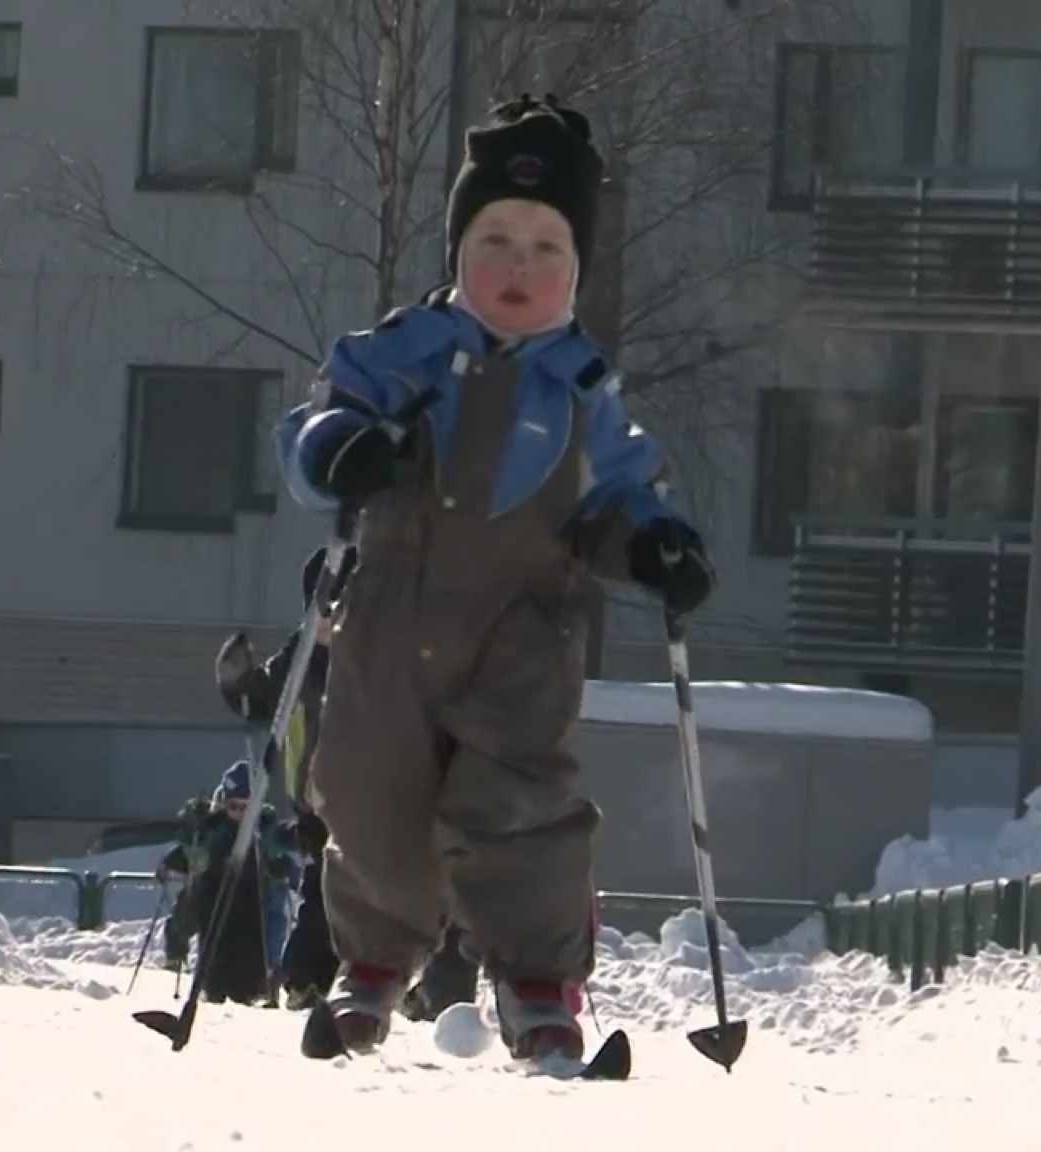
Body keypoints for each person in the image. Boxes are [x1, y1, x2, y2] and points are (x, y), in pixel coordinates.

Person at [273, 93, 715, 1062]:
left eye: (545, 250)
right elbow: (311, 427)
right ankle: (373, 966)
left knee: (516, 801)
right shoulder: (400, 355)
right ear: (457, 254)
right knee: (365, 788)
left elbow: (628, 488)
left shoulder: (580, 390)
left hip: (521, 627)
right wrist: (341, 450)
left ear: (576, 272)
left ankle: (537, 979)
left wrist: (655, 545)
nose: (518, 270)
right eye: (496, 244)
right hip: (389, 616)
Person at [216, 544, 356, 1008]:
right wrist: (237, 680)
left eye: (340, 612)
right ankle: (305, 979)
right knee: (324, 888)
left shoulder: (372, 660)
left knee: (357, 889)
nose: (328, 625)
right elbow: (258, 702)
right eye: (321, 612)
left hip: (365, 798)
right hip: (315, 798)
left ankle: (367, 979)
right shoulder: (296, 661)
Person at [155, 761, 302, 1006]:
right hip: (217, 889)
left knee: (273, 918)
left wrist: (288, 859)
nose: (240, 814)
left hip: (254, 892)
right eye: (234, 807)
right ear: (224, 804)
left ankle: (269, 973)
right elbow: (194, 852)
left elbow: (278, 845)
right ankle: (187, 961)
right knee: (196, 907)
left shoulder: (263, 827)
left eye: (247, 807)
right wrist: (175, 860)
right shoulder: (216, 828)